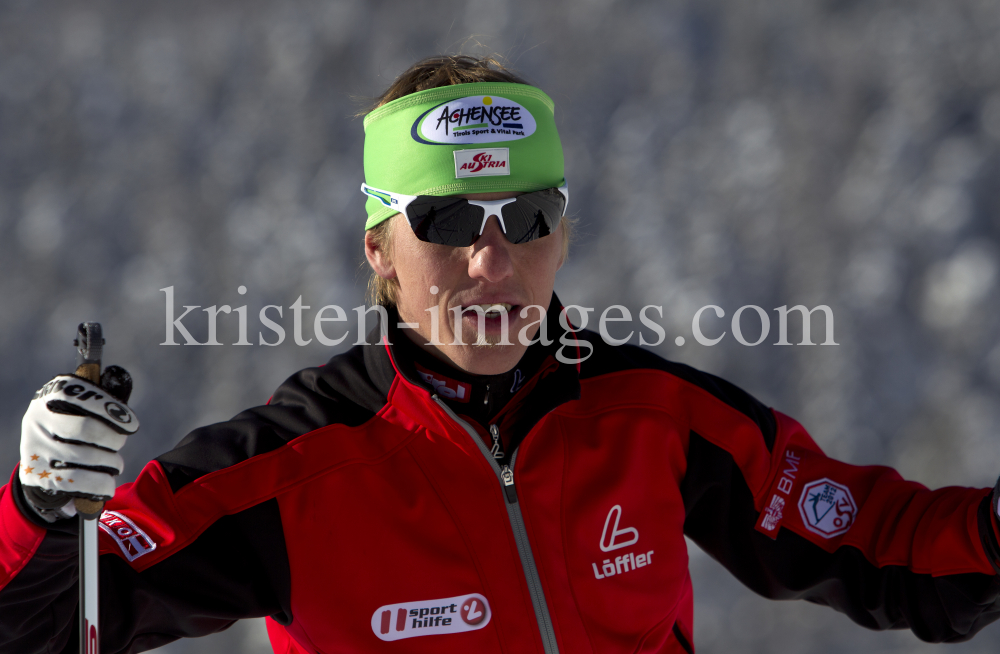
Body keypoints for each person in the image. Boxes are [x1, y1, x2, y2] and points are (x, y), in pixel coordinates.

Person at [2, 54, 1000, 654]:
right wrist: (41, 511)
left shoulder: (647, 417)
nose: (492, 261)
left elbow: (886, 548)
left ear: (563, 234)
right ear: (378, 252)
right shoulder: (290, 471)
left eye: (526, 216)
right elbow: (46, 628)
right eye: (445, 221)